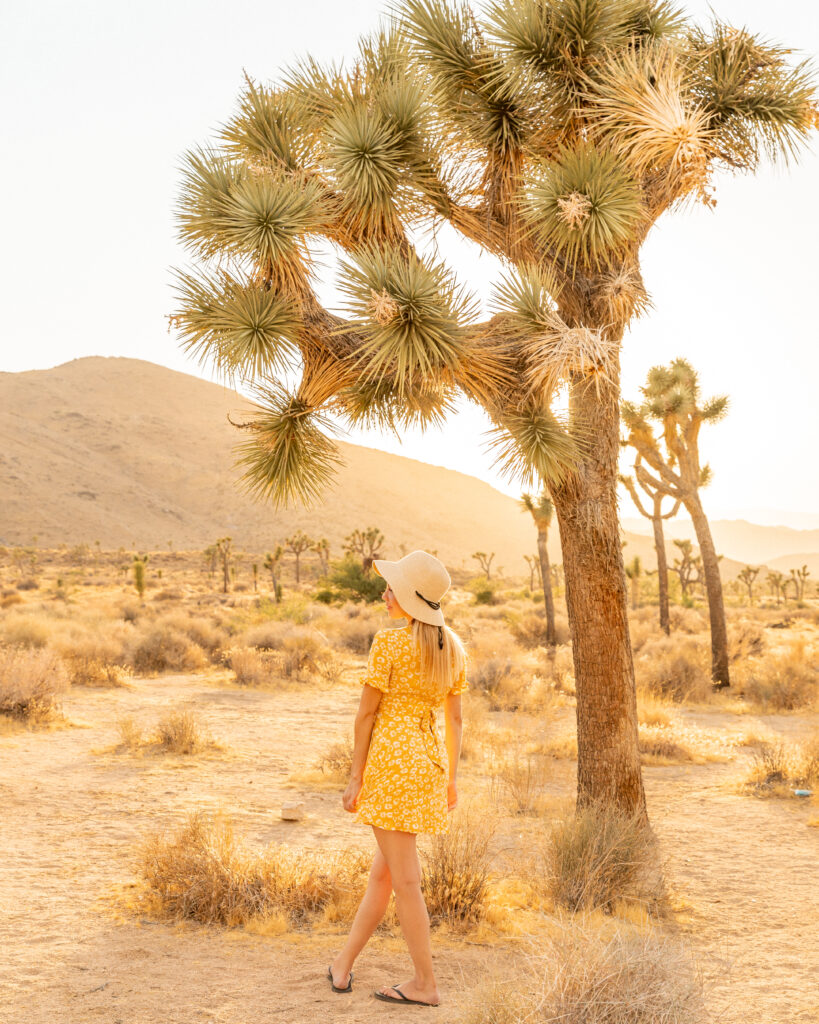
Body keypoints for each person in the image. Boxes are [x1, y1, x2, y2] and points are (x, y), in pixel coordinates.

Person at [326, 550, 468, 1008]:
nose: (385, 593)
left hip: (390, 766)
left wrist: (354, 777)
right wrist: (450, 780)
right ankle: (342, 963)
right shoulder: (453, 647)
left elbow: (366, 714)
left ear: (410, 600)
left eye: (393, 588)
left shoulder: (388, 645)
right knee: (384, 877)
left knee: (405, 882)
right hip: (428, 765)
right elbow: (457, 721)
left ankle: (425, 984)